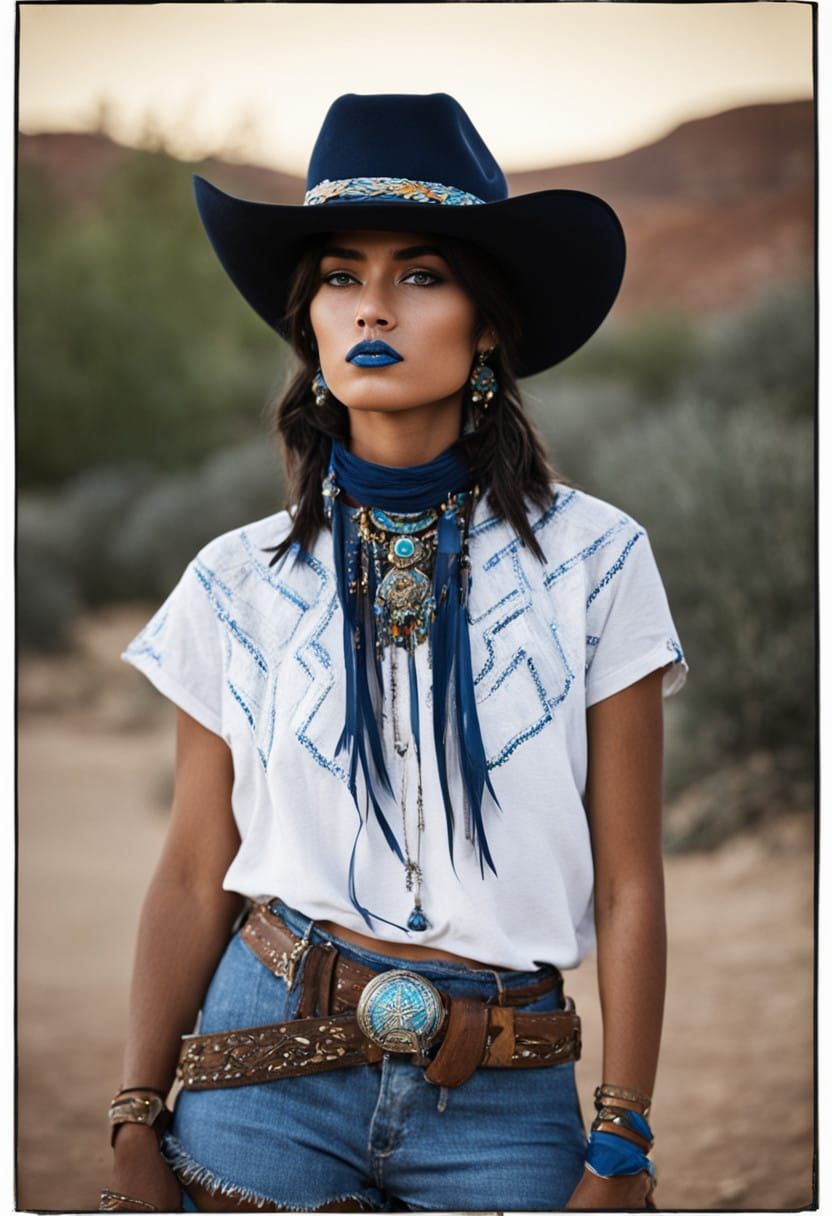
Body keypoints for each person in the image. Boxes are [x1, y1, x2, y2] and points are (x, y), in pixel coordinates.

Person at [101, 93, 688, 1214]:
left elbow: (628, 879)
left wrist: (621, 1134)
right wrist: (134, 1115)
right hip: (262, 1061)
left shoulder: (598, 560)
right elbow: (190, 864)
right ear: (309, 327)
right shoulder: (236, 581)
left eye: (419, 274)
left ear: (485, 324)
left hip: (507, 1085)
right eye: (338, 276)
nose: (372, 304)